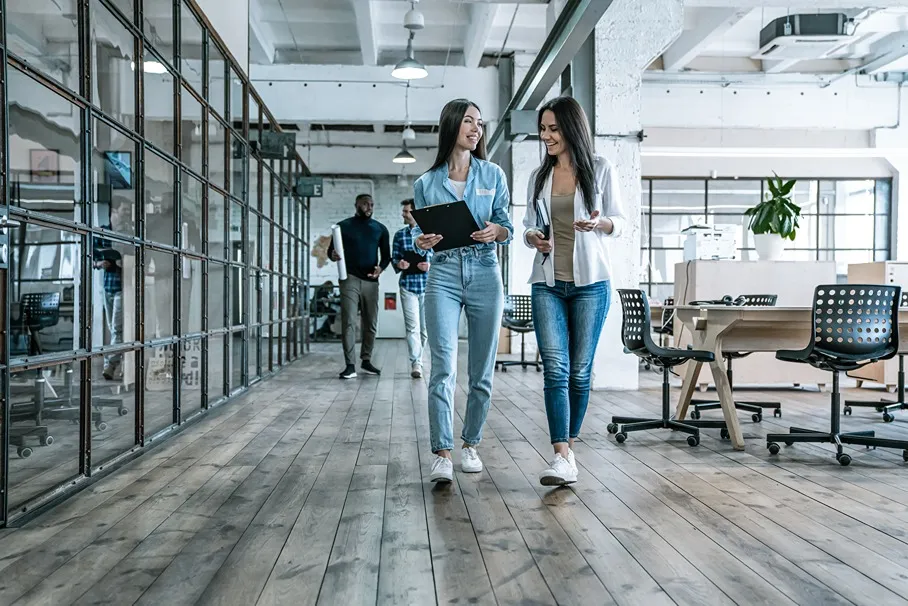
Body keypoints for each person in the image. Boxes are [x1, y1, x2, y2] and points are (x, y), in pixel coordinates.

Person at [523, 96, 625, 486]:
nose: (546, 136)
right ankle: (561, 454)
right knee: (556, 368)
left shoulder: (600, 169)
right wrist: (535, 237)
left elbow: (622, 220)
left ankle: (570, 441)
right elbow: (529, 224)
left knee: (580, 371)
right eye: (543, 130)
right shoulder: (539, 176)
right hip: (548, 282)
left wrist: (600, 225)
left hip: (590, 284)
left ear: (571, 129)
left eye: (553, 129)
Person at [412, 98, 513, 483]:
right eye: (469, 121)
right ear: (452, 125)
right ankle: (442, 452)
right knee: (442, 369)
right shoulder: (425, 182)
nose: (476, 129)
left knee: (481, 371)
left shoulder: (493, 175)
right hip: (444, 274)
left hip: (486, 271)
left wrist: (498, 231)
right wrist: (422, 242)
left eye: (480, 124)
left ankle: (471, 444)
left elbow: (507, 226)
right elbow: (423, 234)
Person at [327, 193, 391, 380]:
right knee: (348, 321)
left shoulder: (380, 229)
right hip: (350, 278)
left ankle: (366, 359)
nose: (369, 207)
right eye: (365, 204)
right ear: (356, 205)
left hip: (371, 281)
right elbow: (330, 252)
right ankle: (350, 365)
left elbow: (386, 256)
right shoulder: (343, 227)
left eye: (371, 204)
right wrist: (333, 256)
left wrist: (381, 268)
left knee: (370, 322)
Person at [392, 199, 432, 379]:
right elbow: (394, 258)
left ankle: (420, 359)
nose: (403, 214)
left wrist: (430, 265)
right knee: (412, 327)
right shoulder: (400, 235)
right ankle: (416, 363)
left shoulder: (431, 233)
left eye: (406, 211)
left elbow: (441, 257)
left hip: (429, 286)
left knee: (425, 330)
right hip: (408, 286)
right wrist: (399, 263)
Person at [93, 203, 130, 380]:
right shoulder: (101, 233)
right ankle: (121, 360)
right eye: (124, 209)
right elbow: (91, 258)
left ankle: (110, 365)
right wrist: (100, 264)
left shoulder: (129, 233)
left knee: (117, 329)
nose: (126, 213)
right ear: (113, 213)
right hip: (107, 286)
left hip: (123, 287)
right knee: (114, 329)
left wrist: (125, 262)